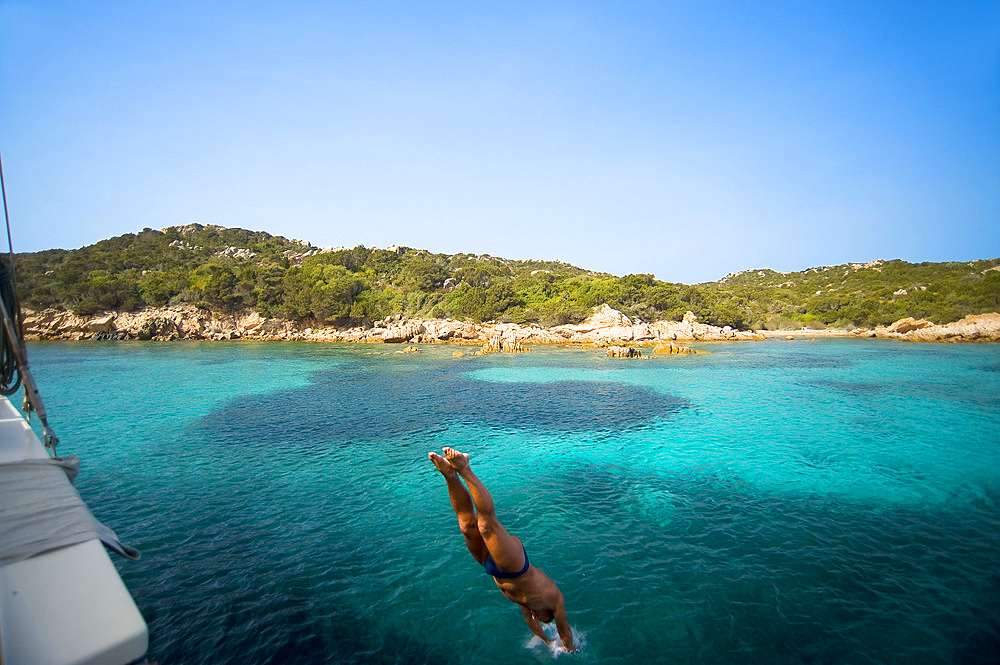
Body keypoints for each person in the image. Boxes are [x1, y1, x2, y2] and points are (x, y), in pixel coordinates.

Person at [428, 447, 576, 652]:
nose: (537, 618)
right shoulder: (555, 599)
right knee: (486, 526)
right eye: (542, 618)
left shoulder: (528, 607)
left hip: (490, 565)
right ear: (548, 613)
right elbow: (565, 631)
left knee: (467, 527)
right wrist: (569, 648)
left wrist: (548, 643)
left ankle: (450, 475)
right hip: (515, 565)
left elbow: (532, 624)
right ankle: (464, 467)